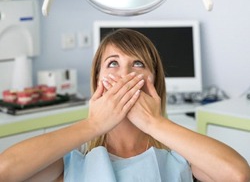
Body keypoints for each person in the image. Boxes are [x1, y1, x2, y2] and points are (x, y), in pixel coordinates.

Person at [0, 29, 249, 182]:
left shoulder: (180, 160)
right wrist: (94, 124)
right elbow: (5, 171)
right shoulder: (72, 163)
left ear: (154, 80)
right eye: (112, 64)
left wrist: (154, 123)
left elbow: (238, 175)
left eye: (138, 64)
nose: (125, 74)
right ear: (97, 80)